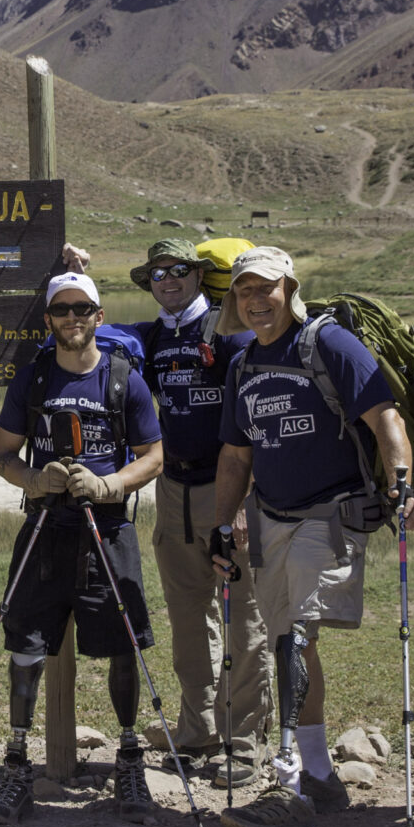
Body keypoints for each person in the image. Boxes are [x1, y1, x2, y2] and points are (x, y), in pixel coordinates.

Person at [207, 247, 414, 827]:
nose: (254, 301)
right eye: (243, 292)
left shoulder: (328, 345)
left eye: (264, 289)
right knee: (288, 641)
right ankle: (321, 777)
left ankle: (289, 780)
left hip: (329, 517)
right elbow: (234, 455)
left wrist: (401, 486)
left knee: (295, 637)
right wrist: (222, 529)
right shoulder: (243, 363)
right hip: (270, 519)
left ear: (289, 287)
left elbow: (385, 419)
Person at [0, 272, 166, 826]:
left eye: (82, 308)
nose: (72, 318)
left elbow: (153, 455)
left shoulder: (122, 379)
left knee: (122, 644)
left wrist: (109, 486)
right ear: (49, 321)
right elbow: (3, 455)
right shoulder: (33, 379)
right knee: (27, 644)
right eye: (61, 310)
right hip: (45, 528)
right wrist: (36, 481)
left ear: (98, 315)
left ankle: (130, 759)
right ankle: (17, 768)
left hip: (107, 532)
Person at [116, 239, 271, 787]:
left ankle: (244, 741)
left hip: (229, 486)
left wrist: (246, 499)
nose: (169, 279)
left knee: (244, 616)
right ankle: (198, 728)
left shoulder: (231, 335)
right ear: (149, 283)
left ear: (199, 275)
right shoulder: (153, 336)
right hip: (173, 486)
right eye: (158, 273)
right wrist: (71, 277)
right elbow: (81, 333)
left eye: (180, 270)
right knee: (186, 614)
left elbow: (253, 419)